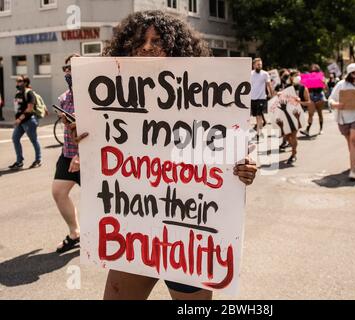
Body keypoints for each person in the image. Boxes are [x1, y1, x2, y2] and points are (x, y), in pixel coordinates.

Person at [64, 10, 258, 301]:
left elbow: (234, 149)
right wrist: (87, 142)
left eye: (158, 40)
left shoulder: (208, 94)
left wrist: (246, 167)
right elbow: (102, 163)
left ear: (179, 48)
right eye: (140, 41)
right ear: (126, 48)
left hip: (190, 237)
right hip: (134, 233)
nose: (146, 46)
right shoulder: (109, 99)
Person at [52, 54, 82, 254]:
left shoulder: (95, 93)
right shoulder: (64, 98)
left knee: (103, 200)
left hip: (90, 157)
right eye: (67, 67)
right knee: (58, 192)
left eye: (74, 67)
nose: (69, 71)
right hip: (68, 153)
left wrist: (81, 156)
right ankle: (75, 233)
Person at [277, 71, 311, 164]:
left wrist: (300, 102)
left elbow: (308, 102)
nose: (297, 77)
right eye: (295, 76)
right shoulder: (287, 87)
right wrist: (279, 95)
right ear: (291, 78)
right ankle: (293, 148)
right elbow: (282, 99)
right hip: (287, 113)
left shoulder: (303, 88)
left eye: (298, 75)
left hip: (297, 114)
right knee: (287, 135)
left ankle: (293, 154)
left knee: (293, 135)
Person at [9, 76, 41, 170]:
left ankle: (38, 160)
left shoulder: (29, 93)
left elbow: (30, 108)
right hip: (20, 122)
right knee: (15, 138)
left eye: (19, 81)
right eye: (17, 81)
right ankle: (19, 161)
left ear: (25, 82)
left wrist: (20, 119)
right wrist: (17, 119)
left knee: (34, 140)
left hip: (29, 121)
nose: (17, 83)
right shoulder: (17, 93)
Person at [251, 58, 273, 141]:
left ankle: (259, 133)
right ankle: (260, 129)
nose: (259, 66)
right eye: (258, 64)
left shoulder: (265, 74)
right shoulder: (250, 74)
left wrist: (271, 94)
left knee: (258, 116)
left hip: (261, 98)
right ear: (254, 65)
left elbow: (269, 84)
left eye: (260, 64)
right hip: (252, 98)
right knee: (256, 116)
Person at [301, 64, 326, 136]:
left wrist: (322, 82)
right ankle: (307, 130)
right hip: (311, 95)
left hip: (319, 95)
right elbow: (304, 86)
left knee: (319, 113)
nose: (313, 72)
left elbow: (325, 87)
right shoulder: (308, 77)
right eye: (312, 70)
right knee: (310, 114)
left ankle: (321, 129)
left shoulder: (321, 77)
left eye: (315, 70)